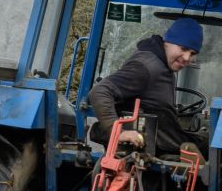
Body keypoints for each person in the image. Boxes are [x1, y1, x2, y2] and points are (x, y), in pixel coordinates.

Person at [89, 17, 208, 156]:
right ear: (167, 42)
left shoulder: (165, 67)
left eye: (192, 53)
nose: (187, 58)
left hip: (166, 140)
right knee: (215, 146)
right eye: (183, 48)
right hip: (159, 146)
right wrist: (118, 133)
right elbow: (99, 91)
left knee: (208, 141)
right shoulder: (147, 66)